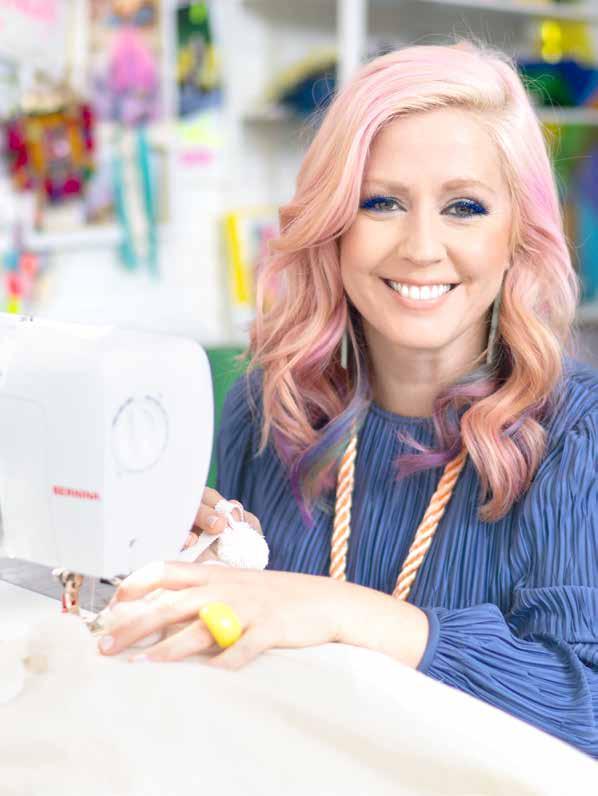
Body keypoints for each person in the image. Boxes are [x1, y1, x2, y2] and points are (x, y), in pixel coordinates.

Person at [100, 39, 598, 759]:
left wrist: (333, 611)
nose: (421, 247)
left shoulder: (578, 435)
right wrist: (190, 567)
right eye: (381, 202)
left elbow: (586, 707)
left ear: (516, 234)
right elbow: (230, 688)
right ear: (333, 223)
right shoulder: (268, 409)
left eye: (464, 207)